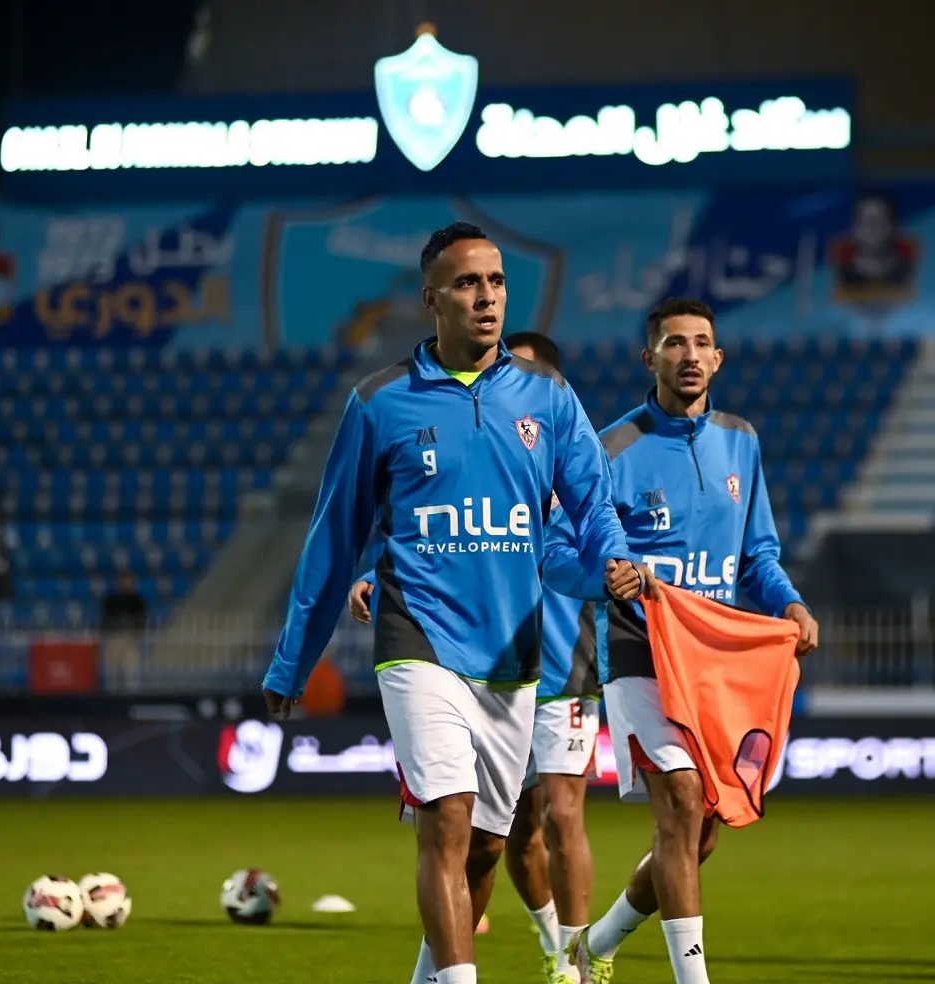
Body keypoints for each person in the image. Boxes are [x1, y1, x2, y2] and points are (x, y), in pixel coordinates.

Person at [262, 222, 653, 984]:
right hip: (419, 637)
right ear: (431, 297)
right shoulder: (380, 404)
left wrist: (612, 560)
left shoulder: (547, 396)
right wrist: (291, 662)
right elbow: (333, 541)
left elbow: (593, 505)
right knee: (445, 820)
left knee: (486, 843)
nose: (487, 297)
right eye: (469, 283)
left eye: (497, 282)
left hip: (512, 655)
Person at [540, 297, 819, 984]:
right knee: (683, 800)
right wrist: (606, 579)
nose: (689, 354)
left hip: (712, 658)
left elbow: (757, 555)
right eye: (674, 343)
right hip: (638, 649)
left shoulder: (741, 441)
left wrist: (790, 602)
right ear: (650, 358)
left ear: (718, 357)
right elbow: (552, 552)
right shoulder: (610, 449)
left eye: (701, 343)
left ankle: (595, 944)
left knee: (701, 833)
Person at [349, 330, 603, 984]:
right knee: (498, 839)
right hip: (469, 667)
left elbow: (592, 555)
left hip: (560, 669)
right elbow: (432, 535)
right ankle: (539, 944)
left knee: (562, 811)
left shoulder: (577, 466)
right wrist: (382, 577)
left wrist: (615, 573)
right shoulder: (470, 452)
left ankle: (576, 965)